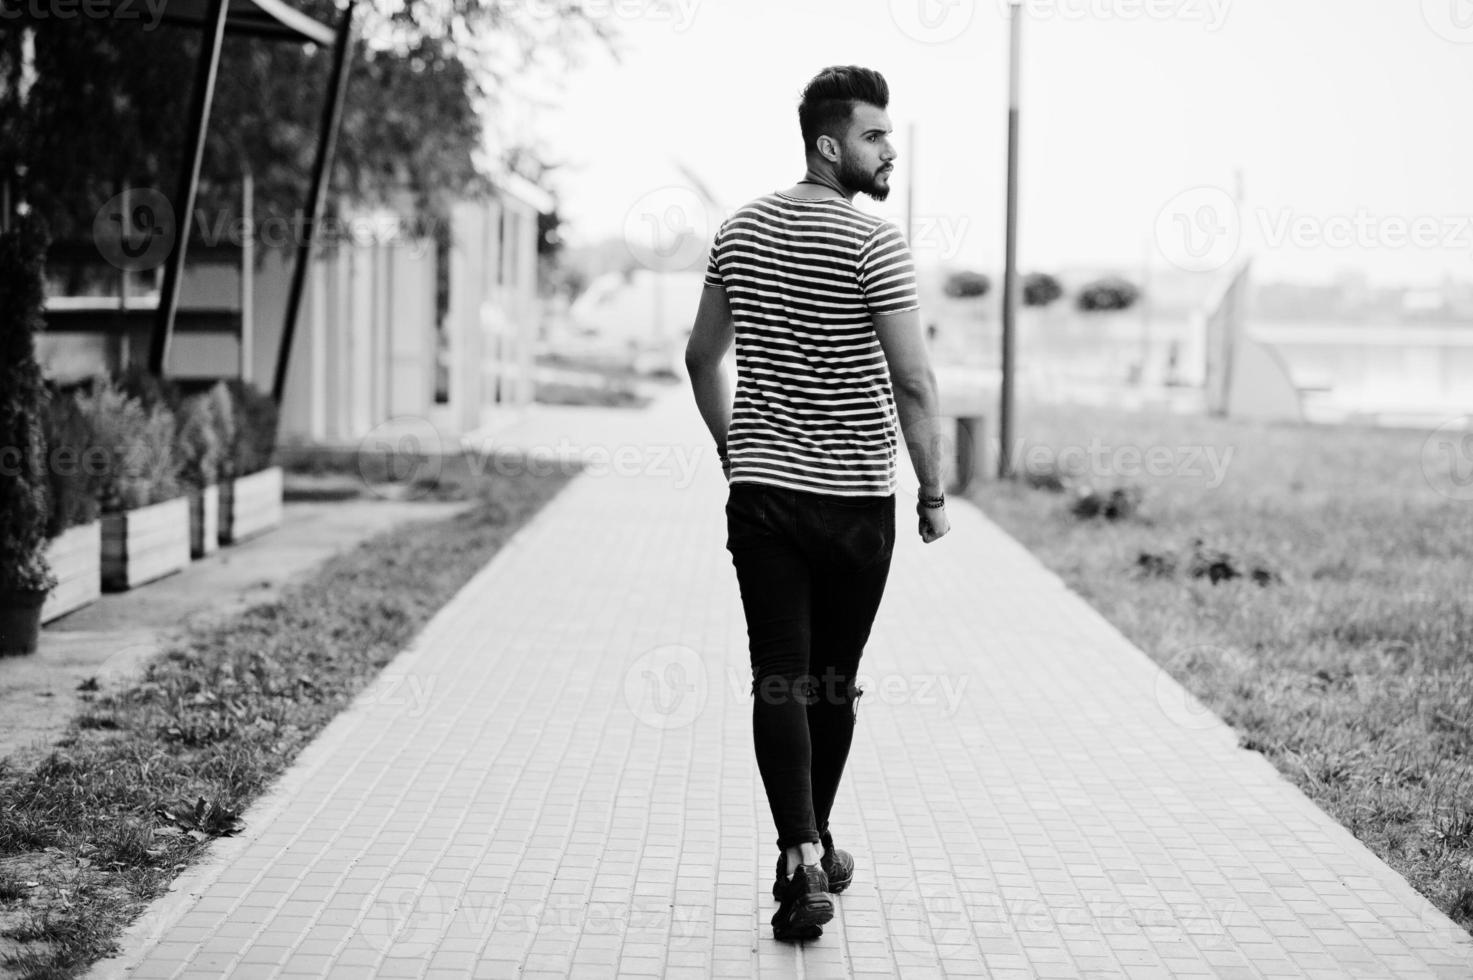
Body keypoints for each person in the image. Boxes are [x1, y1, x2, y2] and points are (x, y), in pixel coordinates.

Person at [683, 64, 951, 943]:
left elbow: (700, 357)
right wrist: (934, 491)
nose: (890, 151)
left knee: (779, 674)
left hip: (762, 501)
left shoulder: (736, 231)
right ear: (829, 144)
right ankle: (804, 851)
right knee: (828, 681)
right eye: (876, 136)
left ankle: (806, 850)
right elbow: (913, 380)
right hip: (852, 507)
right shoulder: (875, 243)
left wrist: (740, 454)